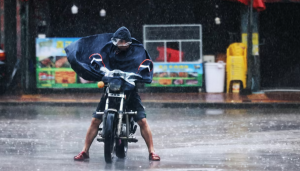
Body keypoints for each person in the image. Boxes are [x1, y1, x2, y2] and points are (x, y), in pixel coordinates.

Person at [70, 26, 160, 161]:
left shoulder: (137, 50)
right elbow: (98, 57)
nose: (122, 44)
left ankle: (152, 151)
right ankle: (85, 151)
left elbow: (145, 62)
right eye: (119, 41)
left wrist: (139, 73)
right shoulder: (108, 48)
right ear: (115, 41)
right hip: (110, 87)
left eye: (125, 41)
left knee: (142, 120)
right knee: (95, 120)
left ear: (129, 41)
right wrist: (99, 67)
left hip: (129, 89)